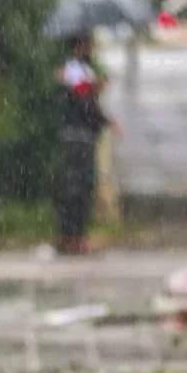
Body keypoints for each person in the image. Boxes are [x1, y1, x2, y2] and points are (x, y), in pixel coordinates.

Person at [53, 34, 117, 255]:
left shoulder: (77, 70)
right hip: (79, 136)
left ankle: (70, 235)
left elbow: (83, 97)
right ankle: (73, 236)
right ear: (78, 46)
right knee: (79, 187)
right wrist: (96, 93)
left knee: (76, 186)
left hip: (79, 135)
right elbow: (84, 102)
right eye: (88, 44)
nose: (91, 48)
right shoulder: (74, 70)